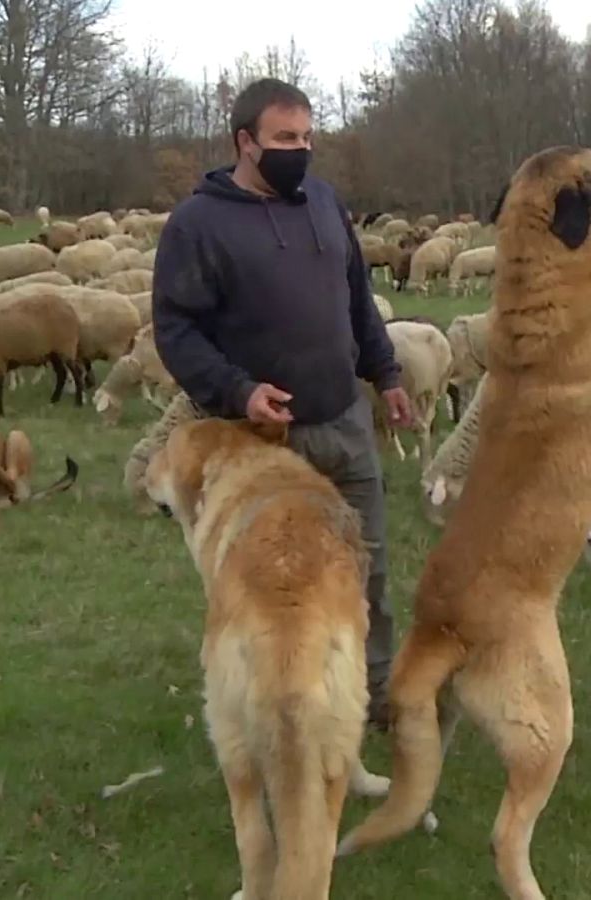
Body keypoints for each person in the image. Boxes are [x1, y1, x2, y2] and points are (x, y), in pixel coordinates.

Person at [152, 77, 413, 725]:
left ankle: (372, 692)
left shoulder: (324, 203)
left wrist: (386, 374)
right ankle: (279, 702)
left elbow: (357, 300)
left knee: (367, 569)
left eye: (306, 137)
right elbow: (176, 330)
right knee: (276, 582)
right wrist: (238, 390)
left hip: (345, 423)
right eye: (285, 139)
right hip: (264, 442)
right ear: (246, 142)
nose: (301, 150)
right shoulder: (198, 224)